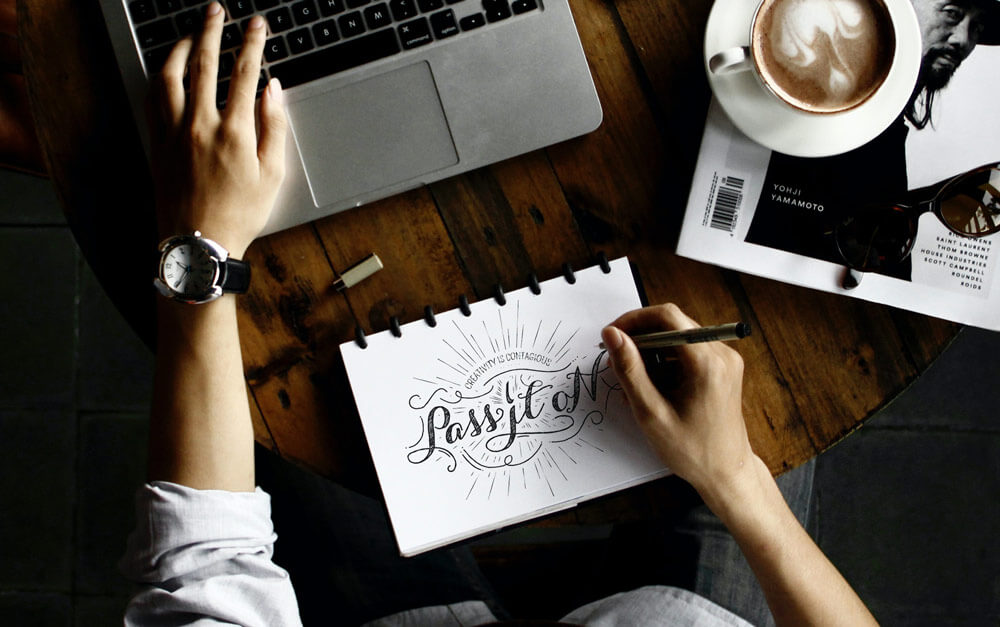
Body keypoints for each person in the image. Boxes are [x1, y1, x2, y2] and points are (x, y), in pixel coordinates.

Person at [120, 4, 878, 625]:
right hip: (682, 611)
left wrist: (204, 246)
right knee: (791, 324)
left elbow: (204, 573)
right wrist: (736, 476)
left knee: (274, 402)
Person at [744, 0, 1000, 279]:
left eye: (978, 26)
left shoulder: (887, 133)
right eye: (952, 14)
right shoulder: (833, 116)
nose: (963, 40)